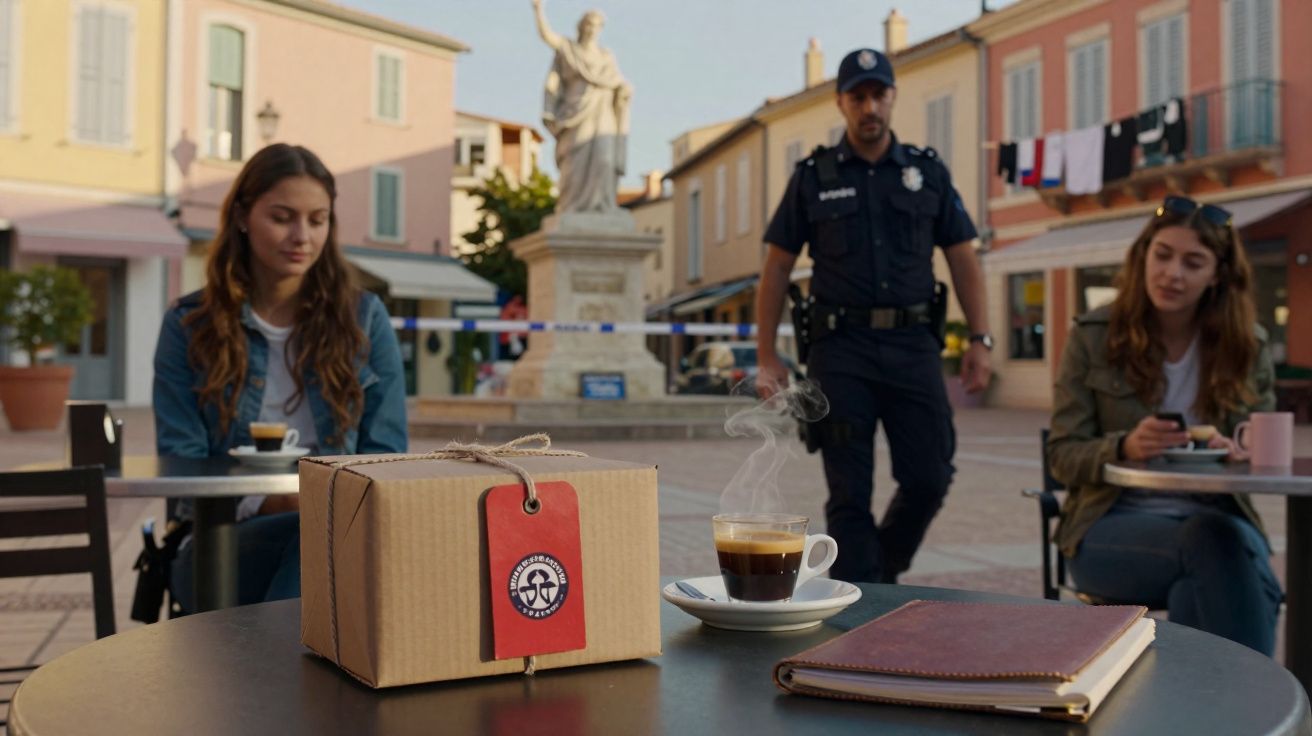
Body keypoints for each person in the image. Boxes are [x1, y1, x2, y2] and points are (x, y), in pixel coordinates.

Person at [756, 48, 992, 584]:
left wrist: (981, 338)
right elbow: (775, 269)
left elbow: (962, 257)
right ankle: (861, 607)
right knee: (848, 492)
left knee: (930, 475)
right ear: (841, 102)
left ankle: (879, 573)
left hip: (913, 348)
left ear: (892, 98)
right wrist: (768, 356)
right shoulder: (813, 176)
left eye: (878, 94)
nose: (869, 107)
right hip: (840, 353)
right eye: (857, 96)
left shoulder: (926, 173)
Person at [153, 143, 408, 612]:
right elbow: (181, 462)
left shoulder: (364, 320)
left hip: (338, 532)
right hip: (218, 541)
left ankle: (270, 677)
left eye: (317, 219)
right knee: (315, 541)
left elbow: (386, 459)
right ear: (243, 217)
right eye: (283, 217)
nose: (301, 236)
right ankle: (298, 673)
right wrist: (266, 504)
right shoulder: (190, 324)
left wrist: (320, 507)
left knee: (323, 540)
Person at [1048, 196, 1282, 654]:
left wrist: (1244, 450)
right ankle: (1268, 712)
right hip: (1108, 526)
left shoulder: (1245, 347)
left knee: (1198, 582)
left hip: (1218, 520)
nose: (1173, 273)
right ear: (1143, 256)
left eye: (1193, 262)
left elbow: (1257, 441)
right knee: (1222, 552)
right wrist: (1122, 447)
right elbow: (1062, 455)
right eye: (1163, 255)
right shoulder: (1094, 336)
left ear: (1216, 274)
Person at [531, 0, 632, 214]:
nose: (592, 29)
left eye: (596, 25)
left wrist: (624, 91)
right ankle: (571, 206)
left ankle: (602, 204)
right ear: (581, 26)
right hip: (575, 112)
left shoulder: (606, 56)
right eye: (589, 24)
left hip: (603, 111)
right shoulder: (569, 49)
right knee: (574, 162)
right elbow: (547, 36)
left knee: (605, 159)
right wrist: (538, 10)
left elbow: (618, 82)